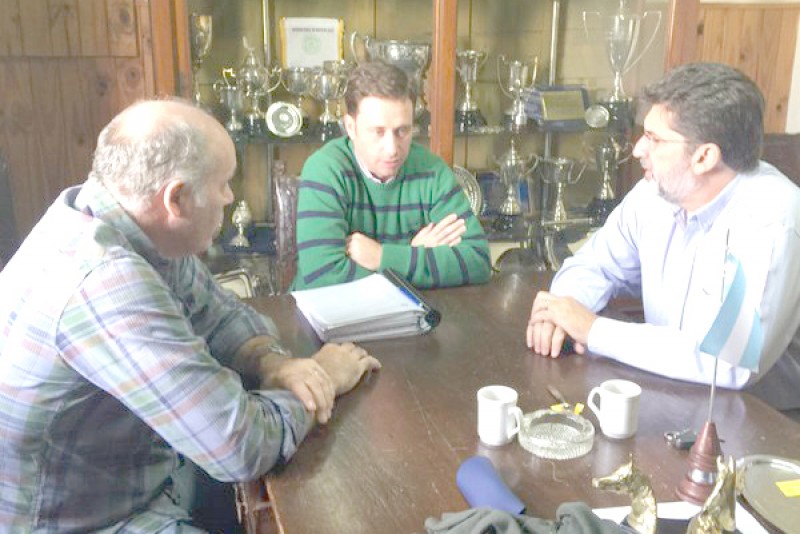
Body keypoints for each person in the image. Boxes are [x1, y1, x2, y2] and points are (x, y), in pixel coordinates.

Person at [0, 99, 381, 532]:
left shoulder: (126, 222)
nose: (231, 197)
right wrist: (323, 378)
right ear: (177, 198)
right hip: (92, 521)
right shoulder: (107, 281)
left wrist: (272, 362)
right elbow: (238, 445)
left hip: (142, 475)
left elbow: (219, 314)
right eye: (224, 184)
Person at [526, 63, 800, 411]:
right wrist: (560, 312)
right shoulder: (656, 191)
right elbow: (595, 265)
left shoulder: (771, 221)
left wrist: (593, 330)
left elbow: (726, 361)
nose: (638, 149)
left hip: (763, 418)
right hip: (667, 391)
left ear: (704, 156)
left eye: (654, 139)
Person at [292, 61, 492, 290]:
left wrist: (381, 256)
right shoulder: (325, 170)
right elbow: (324, 277)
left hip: (411, 310)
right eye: (378, 132)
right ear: (350, 127)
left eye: (402, 131)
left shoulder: (432, 171)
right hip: (327, 311)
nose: (392, 149)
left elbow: (478, 261)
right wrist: (411, 256)